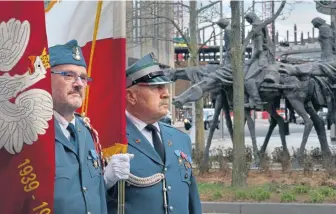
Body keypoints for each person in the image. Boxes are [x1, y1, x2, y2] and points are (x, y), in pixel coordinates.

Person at [107, 52, 202, 214]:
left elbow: (192, 200)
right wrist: (106, 181)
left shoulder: (180, 139)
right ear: (131, 96)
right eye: (156, 87)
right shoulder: (110, 140)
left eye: (165, 86)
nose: (166, 93)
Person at [50, 40, 131, 214]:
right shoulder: (33, 133)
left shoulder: (87, 132)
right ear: (46, 78)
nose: (79, 83)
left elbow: (86, 191)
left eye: (83, 78)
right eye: (69, 75)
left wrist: (106, 181)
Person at [244, 12, 274, 109]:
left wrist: (250, 60)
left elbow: (259, 48)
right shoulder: (261, 24)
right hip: (262, 56)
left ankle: (256, 102)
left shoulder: (256, 27)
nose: (248, 22)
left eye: (247, 20)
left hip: (261, 58)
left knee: (248, 80)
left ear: (251, 18)